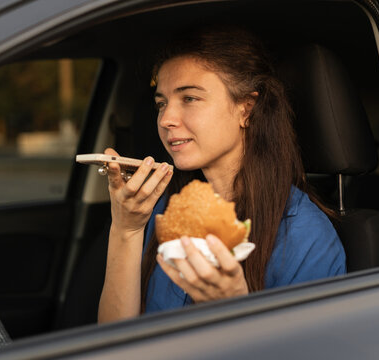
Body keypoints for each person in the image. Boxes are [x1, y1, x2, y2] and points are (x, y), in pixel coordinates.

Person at [97, 25, 346, 323]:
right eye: (161, 103)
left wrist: (234, 310)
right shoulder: (166, 209)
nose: (166, 119)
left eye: (189, 98)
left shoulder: (305, 237)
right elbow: (116, 342)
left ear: (246, 109)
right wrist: (127, 230)